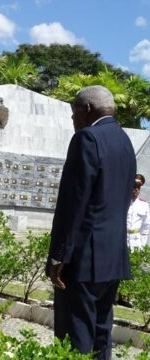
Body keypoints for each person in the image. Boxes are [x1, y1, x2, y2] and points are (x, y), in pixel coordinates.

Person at [46, 85, 136, 359]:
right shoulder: (125, 141)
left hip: (83, 259)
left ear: (86, 110)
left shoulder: (87, 138)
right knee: (100, 332)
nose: (73, 121)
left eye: (74, 114)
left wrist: (59, 256)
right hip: (113, 258)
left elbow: (73, 203)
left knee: (76, 334)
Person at [126, 174, 150, 250]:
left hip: (136, 242)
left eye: (138, 187)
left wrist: (142, 246)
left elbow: (145, 228)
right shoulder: (123, 203)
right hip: (122, 239)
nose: (136, 189)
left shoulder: (144, 205)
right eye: (134, 186)